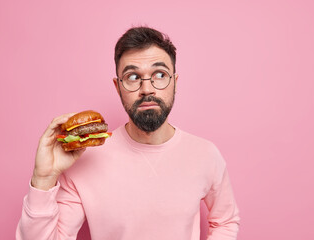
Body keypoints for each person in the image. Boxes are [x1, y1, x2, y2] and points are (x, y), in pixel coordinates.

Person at [16, 26, 240, 240]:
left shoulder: (205, 154)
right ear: (118, 86)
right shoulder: (87, 158)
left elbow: (226, 221)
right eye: (133, 77)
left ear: (175, 82)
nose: (147, 88)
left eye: (160, 74)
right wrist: (43, 179)